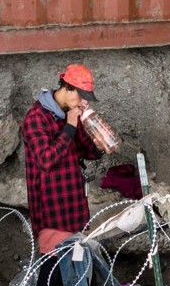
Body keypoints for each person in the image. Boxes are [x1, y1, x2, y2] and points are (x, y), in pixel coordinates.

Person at [20, 64, 118, 253]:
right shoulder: (36, 118)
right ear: (66, 88)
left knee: (75, 268)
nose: (82, 101)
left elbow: (85, 150)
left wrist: (98, 147)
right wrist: (70, 127)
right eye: (80, 95)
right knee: (53, 270)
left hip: (74, 204)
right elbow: (45, 160)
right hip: (51, 210)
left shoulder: (70, 113)